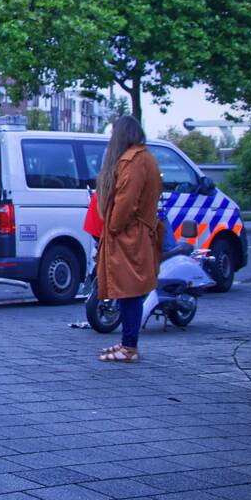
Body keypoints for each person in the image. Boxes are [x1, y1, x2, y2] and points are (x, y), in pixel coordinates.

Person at [95, 116, 163, 362]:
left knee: (128, 291)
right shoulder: (145, 158)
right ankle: (127, 342)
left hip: (128, 237)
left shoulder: (133, 161)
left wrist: (113, 227)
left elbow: (126, 201)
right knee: (127, 291)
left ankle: (129, 347)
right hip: (135, 233)